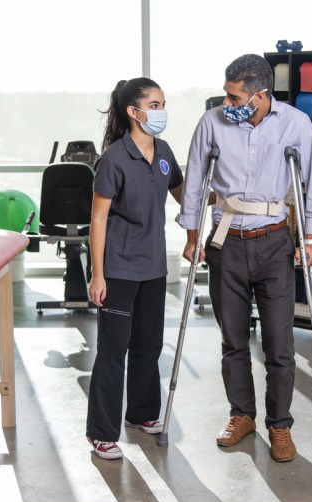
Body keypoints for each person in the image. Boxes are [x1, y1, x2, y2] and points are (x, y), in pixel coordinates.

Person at [177, 54, 312, 462]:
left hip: (274, 243)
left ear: (260, 95)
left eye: (234, 97)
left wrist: (311, 238)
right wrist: (193, 235)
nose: (226, 104)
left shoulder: (295, 124)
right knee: (233, 340)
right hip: (226, 241)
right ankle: (241, 414)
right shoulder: (212, 122)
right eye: (226, 96)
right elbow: (194, 180)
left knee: (280, 344)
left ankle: (279, 426)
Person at [86, 78, 183, 460]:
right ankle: (101, 432)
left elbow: (183, 192)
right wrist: (97, 274)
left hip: (153, 268)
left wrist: (225, 191)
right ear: (134, 111)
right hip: (119, 269)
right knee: (113, 351)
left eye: (162, 104)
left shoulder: (163, 152)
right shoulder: (113, 158)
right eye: (155, 105)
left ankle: (142, 413)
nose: (161, 112)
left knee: (148, 345)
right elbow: (97, 221)